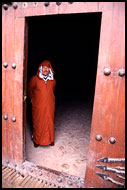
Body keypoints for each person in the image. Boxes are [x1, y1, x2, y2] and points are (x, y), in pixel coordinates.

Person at [28, 60, 56, 147]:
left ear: (50, 70)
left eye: (47, 68)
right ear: (40, 69)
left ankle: (50, 139)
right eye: (43, 67)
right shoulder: (34, 79)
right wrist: (34, 100)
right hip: (38, 106)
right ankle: (37, 140)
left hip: (50, 105)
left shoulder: (52, 81)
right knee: (38, 122)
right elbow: (30, 91)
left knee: (49, 121)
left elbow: (52, 91)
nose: (45, 69)